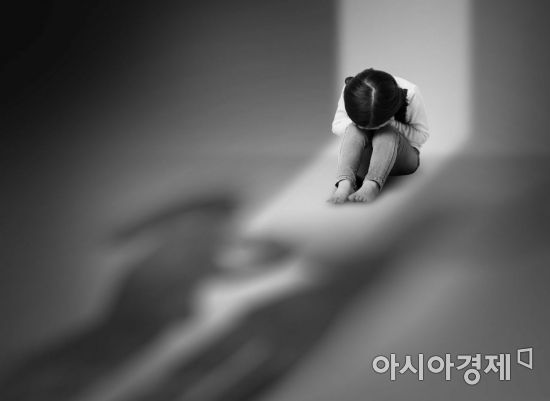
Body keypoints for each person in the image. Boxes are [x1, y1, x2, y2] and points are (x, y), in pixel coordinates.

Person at [328, 68, 429, 203]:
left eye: (376, 126)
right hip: (364, 159)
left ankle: (372, 184)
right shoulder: (352, 90)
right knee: (352, 128)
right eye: (364, 126)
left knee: (386, 133)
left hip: (401, 158)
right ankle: (345, 183)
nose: (369, 130)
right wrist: (357, 124)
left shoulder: (411, 93)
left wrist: (393, 125)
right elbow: (337, 125)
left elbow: (422, 135)